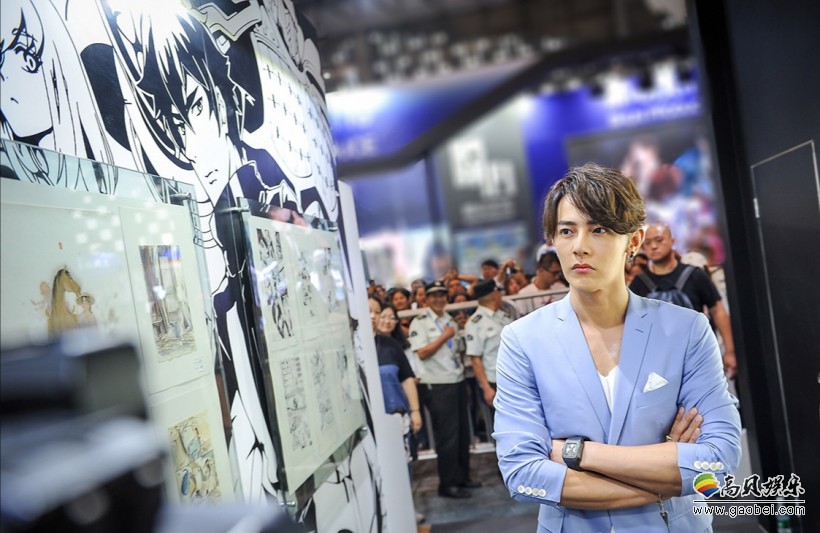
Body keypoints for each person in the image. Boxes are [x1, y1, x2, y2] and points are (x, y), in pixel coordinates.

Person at [494, 163, 741, 532]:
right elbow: (523, 473)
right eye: (567, 231)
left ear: (634, 241)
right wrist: (668, 471)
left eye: (599, 229)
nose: (579, 246)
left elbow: (718, 460)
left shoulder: (685, 330)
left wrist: (576, 453)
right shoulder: (523, 340)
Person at [629, 224, 737, 379]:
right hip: (659, 366)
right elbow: (631, 324)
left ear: (672, 241)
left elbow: (718, 310)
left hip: (699, 358)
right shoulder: (638, 284)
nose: (653, 246)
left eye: (659, 240)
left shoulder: (695, 275)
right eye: (648, 243)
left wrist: (730, 351)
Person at [409, 280, 477, 499]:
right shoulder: (420, 322)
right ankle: (448, 484)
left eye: (442, 295)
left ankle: (463, 477)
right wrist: (444, 337)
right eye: (434, 296)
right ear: (426, 299)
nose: (438, 299)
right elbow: (422, 353)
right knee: (447, 436)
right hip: (437, 384)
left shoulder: (450, 321)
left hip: (456, 380)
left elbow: (457, 352)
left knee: (463, 434)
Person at [465, 280, 513, 410]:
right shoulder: (475, 323)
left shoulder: (504, 316)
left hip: (514, 376)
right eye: (499, 293)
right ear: (495, 295)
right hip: (495, 381)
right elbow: (475, 359)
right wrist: (486, 388)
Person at [516, 251, 566, 316]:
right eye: (554, 273)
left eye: (559, 273)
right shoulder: (524, 294)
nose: (557, 277)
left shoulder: (562, 289)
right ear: (541, 270)